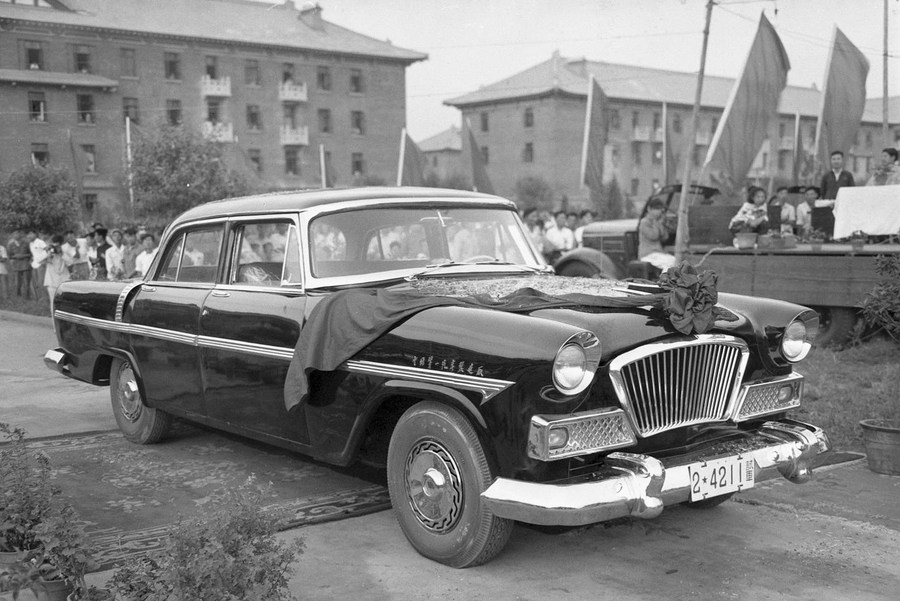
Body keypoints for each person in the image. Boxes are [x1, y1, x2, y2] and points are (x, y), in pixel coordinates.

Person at [638, 198, 676, 271]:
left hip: (657, 253)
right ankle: (664, 278)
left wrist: (662, 224)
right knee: (670, 262)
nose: (658, 211)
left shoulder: (657, 222)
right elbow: (653, 236)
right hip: (647, 254)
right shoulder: (644, 222)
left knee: (674, 260)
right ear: (649, 209)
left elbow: (665, 238)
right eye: (656, 209)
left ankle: (665, 277)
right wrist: (656, 223)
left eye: (660, 209)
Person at [43, 234, 71, 315]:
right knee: (53, 303)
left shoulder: (64, 251)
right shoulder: (48, 251)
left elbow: (70, 262)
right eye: (54, 244)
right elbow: (39, 261)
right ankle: (55, 321)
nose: (56, 247)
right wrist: (48, 252)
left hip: (63, 280)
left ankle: (64, 321)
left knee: (64, 303)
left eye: (58, 245)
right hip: (51, 281)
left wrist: (61, 253)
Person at [8, 230, 32, 298]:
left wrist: (23, 255)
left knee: (27, 282)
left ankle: (27, 296)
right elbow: (9, 255)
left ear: (20, 235)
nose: (16, 235)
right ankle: (18, 296)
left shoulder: (26, 243)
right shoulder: (10, 244)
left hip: (26, 265)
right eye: (14, 234)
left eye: (17, 234)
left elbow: (30, 254)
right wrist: (15, 256)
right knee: (17, 282)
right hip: (16, 265)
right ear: (13, 236)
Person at [27, 230, 48, 300]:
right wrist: (32, 259)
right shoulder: (30, 243)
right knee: (35, 282)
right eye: (28, 234)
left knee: (41, 282)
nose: (29, 236)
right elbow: (34, 253)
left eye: (31, 234)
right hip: (34, 265)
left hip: (41, 265)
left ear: (35, 234)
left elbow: (48, 250)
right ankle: (38, 297)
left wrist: (43, 259)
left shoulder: (40, 242)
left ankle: (45, 298)